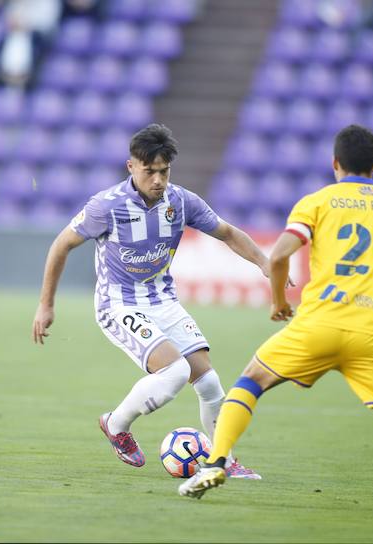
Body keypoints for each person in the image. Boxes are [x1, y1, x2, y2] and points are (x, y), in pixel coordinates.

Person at [178, 125, 373, 517]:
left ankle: (216, 462)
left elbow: (277, 257)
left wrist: (278, 302)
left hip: (318, 325)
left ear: (335, 164)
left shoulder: (318, 202)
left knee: (251, 381)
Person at [32, 124, 269, 479]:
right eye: (150, 171)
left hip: (162, 300)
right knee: (175, 372)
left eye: (164, 171)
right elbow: (60, 245)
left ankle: (223, 460)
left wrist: (266, 264)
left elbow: (228, 233)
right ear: (131, 166)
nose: (158, 180)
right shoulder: (106, 206)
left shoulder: (182, 201)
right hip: (119, 305)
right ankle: (116, 424)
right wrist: (46, 304)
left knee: (209, 384)